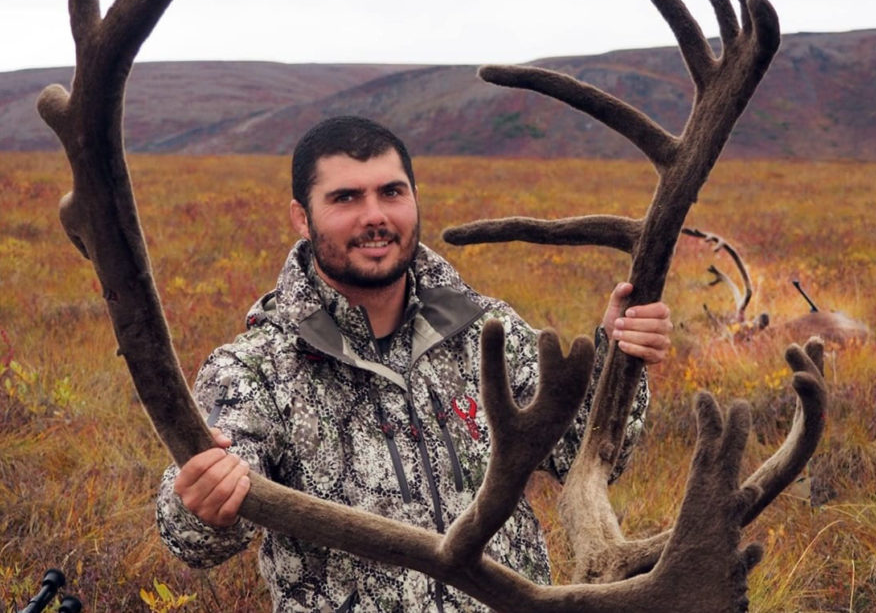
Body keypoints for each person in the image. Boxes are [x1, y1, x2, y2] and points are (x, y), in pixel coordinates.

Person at [156, 116, 672, 612]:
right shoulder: (253, 371)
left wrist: (617, 357)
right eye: (345, 198)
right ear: (301, 217)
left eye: (391, 192)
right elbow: (193, 539)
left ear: (414, 199)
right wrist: (198, 503)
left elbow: (585, 450)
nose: (375, 215)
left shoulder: (487, 330)